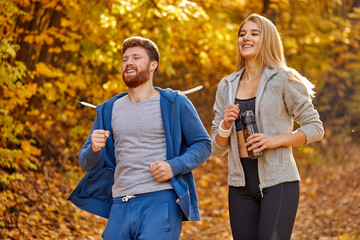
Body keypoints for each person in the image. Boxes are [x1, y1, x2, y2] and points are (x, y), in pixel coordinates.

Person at [68, 36, 212, 239]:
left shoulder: (174, 102)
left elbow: (203, 144)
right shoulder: (109, 109)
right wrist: (93, 149)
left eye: (136, 57)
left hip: (160, 202)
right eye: (125, 59)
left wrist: (174, 166)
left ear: (153, 65)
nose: (129, 63)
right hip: (119, 204)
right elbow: (86, 162)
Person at [211, 14, 324, 240]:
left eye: (254, 33)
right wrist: (225, 125)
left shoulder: (284, 79)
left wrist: (274, 140)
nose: (246, 38)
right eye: (242, 34)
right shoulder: (227, 85)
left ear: (268, 40)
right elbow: (217, 148)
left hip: (279, 181)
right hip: (240, 185)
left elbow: (315, 128)